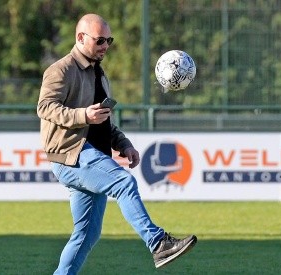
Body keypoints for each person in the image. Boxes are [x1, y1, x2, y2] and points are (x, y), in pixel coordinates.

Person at [37, 13, 197, 275]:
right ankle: (158, 244)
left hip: (90, 156)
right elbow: (45, 107)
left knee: (87, 235)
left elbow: (103, 121)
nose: (105, 46)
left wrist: (124, 144)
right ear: (80, 38)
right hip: (70, 154)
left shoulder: (99, 74)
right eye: (100, 40)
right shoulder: (61, 69)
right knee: (124, 182)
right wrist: (82, 115)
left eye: (109, 40)